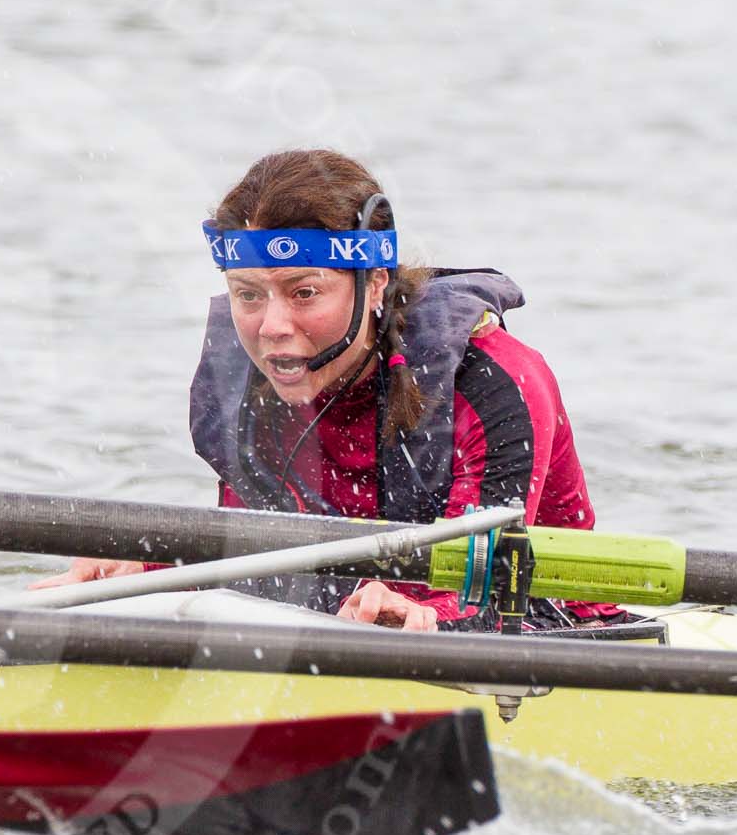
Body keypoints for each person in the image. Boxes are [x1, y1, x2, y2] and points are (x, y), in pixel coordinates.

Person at [37, 148, 625, 631]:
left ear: (373, 286)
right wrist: (147, 572)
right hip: (340, 625)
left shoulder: (494, 380)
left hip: (542, 626)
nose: (271, 328)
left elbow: (487, 597)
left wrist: (417, 617)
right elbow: (260, 561)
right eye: (248, 294)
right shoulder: (246, 386)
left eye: (304, 292)